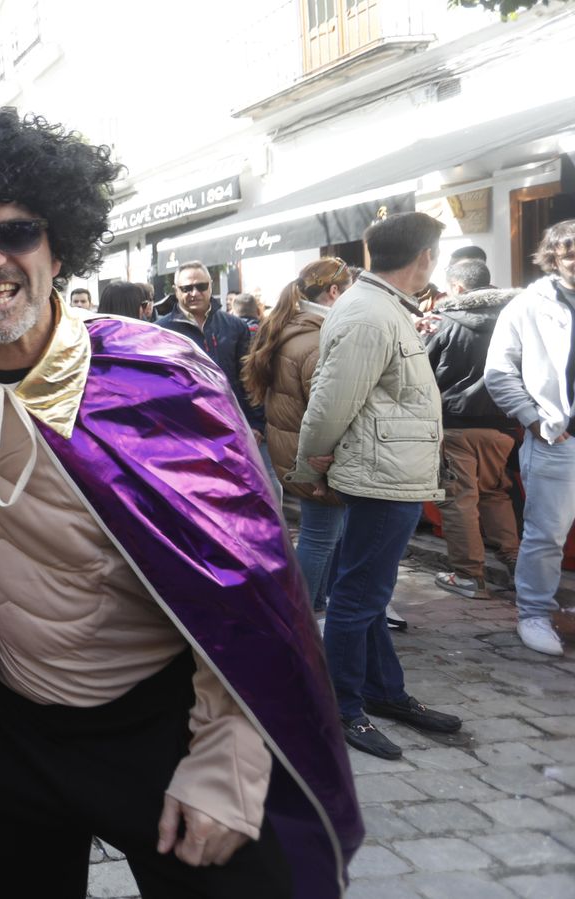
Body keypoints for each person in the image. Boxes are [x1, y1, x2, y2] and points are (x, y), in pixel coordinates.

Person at [0, 107, 359, 897]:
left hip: (165, 726)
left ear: (59, 245)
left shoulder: (159, 377)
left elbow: (251, 591)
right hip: (17, 735)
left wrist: (228, 760)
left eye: (16, 231)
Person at [289, 211, 461, 759]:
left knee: (365, 592)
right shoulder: (369, 311)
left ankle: (382, 691)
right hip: (383, 478)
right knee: (357, 597)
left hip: (390, 473)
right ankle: (344, 707)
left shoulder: (377, 306)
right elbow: (330, 401)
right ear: (426, 257)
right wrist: (310, 465)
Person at [241, 258, 356, 614]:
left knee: (323, 535)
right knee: (320, 537)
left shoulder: (293, 327)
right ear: (334, 291)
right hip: (316, 456)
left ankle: (312, 608)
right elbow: (325, 410)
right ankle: (299, 617)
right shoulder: (318, 337)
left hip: (298, 450)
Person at [484, 219, 575, 656]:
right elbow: (499, 370)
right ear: (553, 256)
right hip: (558, 439)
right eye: (569, 250)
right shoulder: (527, 305)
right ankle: (535, 612)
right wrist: (534, 420)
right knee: (546, 534)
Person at [427, 258, 519, 601]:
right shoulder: (515, 317)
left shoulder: (445, 321)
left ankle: (469, 576)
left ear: (458, 287)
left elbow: (423, 369)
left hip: (455, 424)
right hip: (503, 424)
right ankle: (518, 567)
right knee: (495, 493)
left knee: (459, 499)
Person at [156, 261, 267, 434]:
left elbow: (248, 378)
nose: (194, 293)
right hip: (185, 429)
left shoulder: (235, 326)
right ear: (176, 290)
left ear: (210, 286)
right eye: (187, 288)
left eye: (201, 286)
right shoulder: (160, 331)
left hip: (232, 424)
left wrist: (256, 423)